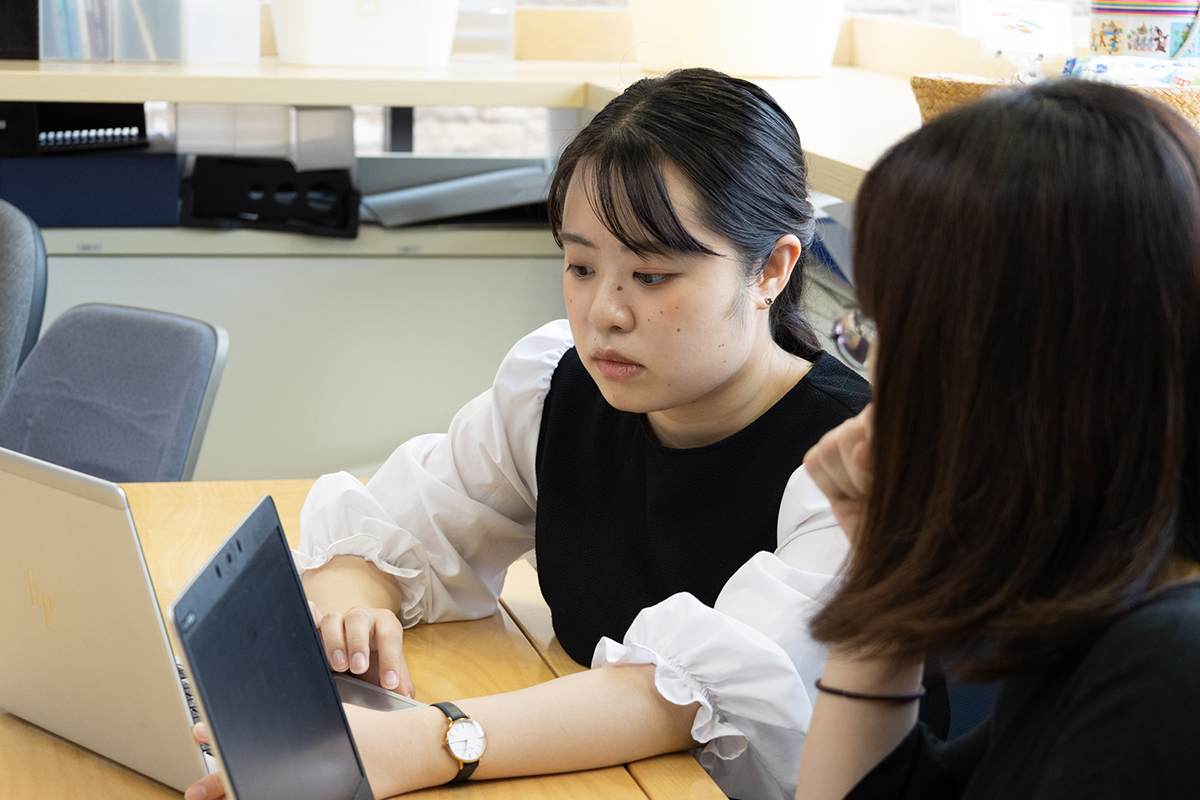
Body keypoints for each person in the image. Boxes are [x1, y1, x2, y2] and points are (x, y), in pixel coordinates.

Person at [184, 67, 889, 800]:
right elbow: (404, 524)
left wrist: (426, 742)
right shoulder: (559, 387)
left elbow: (685, 696)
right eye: (581, 265)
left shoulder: (854, 462)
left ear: (771, 268)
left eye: (650, 275)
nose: (604, 312)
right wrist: (350, 611)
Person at [797, 79, 1200, 799]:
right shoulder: (1107, 588)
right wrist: (888, 563)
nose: (871, 365)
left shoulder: (1167, 669)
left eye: (887, 327)